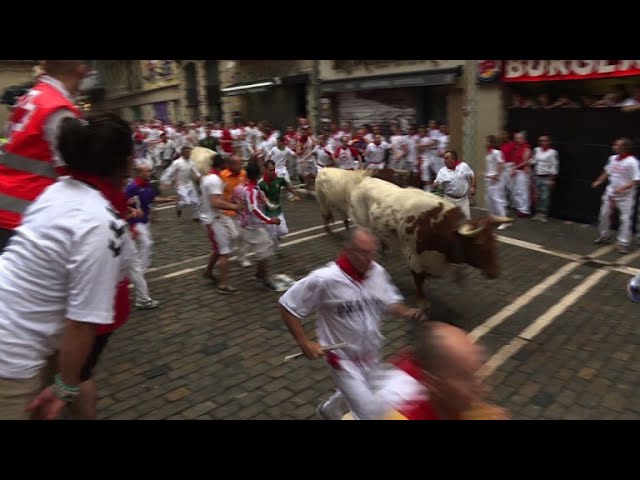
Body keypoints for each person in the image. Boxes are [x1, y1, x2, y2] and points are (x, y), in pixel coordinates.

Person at [0, 113, 134, 420]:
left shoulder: (56, 190)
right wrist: (65, 388)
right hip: (10, 351)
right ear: (126, 162)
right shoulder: (102, 223)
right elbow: (83, 322)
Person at [279, 226, 427, 420]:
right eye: (363, 253)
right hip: (342, 360)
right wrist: (305, 343)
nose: (370, 259)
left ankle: (329, 411)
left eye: (373, 252)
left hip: (370, 354)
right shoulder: (325, 279)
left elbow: (388, 301)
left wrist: (407, 313)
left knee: (398, 392)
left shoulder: (377, 272)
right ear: (348, 250)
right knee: (370, 413)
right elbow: (288, 305)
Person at [0, 60, 88, 251]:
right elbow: (74, 173)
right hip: (29, 216)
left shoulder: (31, 97)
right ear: (81, 70)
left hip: (8, 207)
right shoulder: (59, 109)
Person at [378, 322, 510, 420]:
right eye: (466, 378)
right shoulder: (397, 414)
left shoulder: (437, 368)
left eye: (477, 373)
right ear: (435, 384)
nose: (485, 389)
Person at [125, 163, 176, 309]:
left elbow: (152, 200)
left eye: (150, 170)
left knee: (145, 245)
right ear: (139, 173)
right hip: (136, 222)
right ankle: (141, 270)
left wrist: (167, 200)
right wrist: (131, 217)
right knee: (147, 243)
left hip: (144, 221)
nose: (150, 172)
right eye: (147, 171)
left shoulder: (148, 185)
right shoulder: (133, 187)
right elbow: (122, 203)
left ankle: (137, 271)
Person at [200, 154, 242, 294]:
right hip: (213, 219)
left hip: (215, 217)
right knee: (224, 252)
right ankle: (223, 285)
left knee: (219, 249)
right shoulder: (214, 180)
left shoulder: (209, 177)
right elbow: (216, 202)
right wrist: (234, 207)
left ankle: (208, 271)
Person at [237, 162, 281, 291]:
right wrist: (270, 220)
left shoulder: (246, 187)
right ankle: (264, 278)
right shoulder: (251, 190)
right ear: (258, 174)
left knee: (265, 248)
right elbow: (254, 208)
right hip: (252, 227)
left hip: (248, 224)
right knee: (265, 250)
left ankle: (259, 274)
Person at [592, 138, 640, 253]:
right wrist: (598, 181)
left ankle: (623, 243)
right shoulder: (612, 159)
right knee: (603, 215)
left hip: (626, 197)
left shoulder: (632, 161)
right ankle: (604, 236)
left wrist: (622, 188)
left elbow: (636, 180)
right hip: (610, 193)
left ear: (624, 147)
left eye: (616, 145)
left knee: (625, 220)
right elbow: (607, 172)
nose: (613, 146)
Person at [258, 160, 300, 251]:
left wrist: (294, 192)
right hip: (266, 213)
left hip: (277, 210)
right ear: (265, 169)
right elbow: (258, 199)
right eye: (270, 170)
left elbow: (286, 186)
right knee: (272, 235)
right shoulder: (260, 184)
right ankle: (274, 247)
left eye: (274, 170)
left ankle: (273, 237)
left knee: (284, 231)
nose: (273, 172)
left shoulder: (279, 179)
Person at [432, 150, 476, 219]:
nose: (444, 160)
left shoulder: (463, 166)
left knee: (466, 221)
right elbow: (436, 183)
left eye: (446, 158)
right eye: (444, 158)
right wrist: (435, 185)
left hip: (463, 200)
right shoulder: (442, 171)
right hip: (449, 200)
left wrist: (473, 186)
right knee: (450, 222)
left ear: (453, 159)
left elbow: (472, 175)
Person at [160, 146, 201, 220]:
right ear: (183, 153)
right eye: (188, 152)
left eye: (190, 152)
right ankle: (178, 205)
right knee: (187, 202)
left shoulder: (191, 162)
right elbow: (170, 172)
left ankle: (195, 216)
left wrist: (200, 177)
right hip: (180, 186)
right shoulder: (177, 163)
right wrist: (166, 182)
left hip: (189, 184)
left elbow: (195, 172)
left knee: (196, 201)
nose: (190, 154)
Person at [530, 135, 559, 222]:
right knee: (537, 196)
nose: (542, 142)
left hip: (546, 177)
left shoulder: (552, 152)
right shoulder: (536, 150)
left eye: (545, 141)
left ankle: (543, 214)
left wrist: (552, 179)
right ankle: (537, 213)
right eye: (541, 141)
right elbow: (533, 161)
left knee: (545, 196)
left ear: (549, 142)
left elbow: (554, 165)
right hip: (537, 175)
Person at [484, 135, 509, 229]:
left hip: (495, 180)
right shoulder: (489, 153)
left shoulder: (496, 152)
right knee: (489, 200)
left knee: (497, 200)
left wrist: (496, 175)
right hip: (489, 179)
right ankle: (492, 218)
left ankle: (505, 221)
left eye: (486, 141)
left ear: (491, 143)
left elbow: (501, 164)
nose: (485, 143)